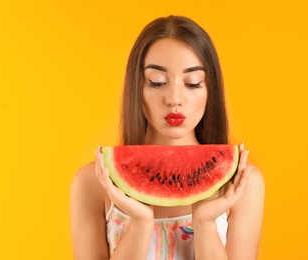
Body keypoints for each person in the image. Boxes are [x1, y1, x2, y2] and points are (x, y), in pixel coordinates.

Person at [70, 15, 265, 260]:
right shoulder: (92, 183)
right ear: (136, 87)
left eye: (193, 83)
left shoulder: (243, 185)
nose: (174, 98)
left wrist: (204, 224)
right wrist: (140, 223)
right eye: (156, 82)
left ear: (210, 90)